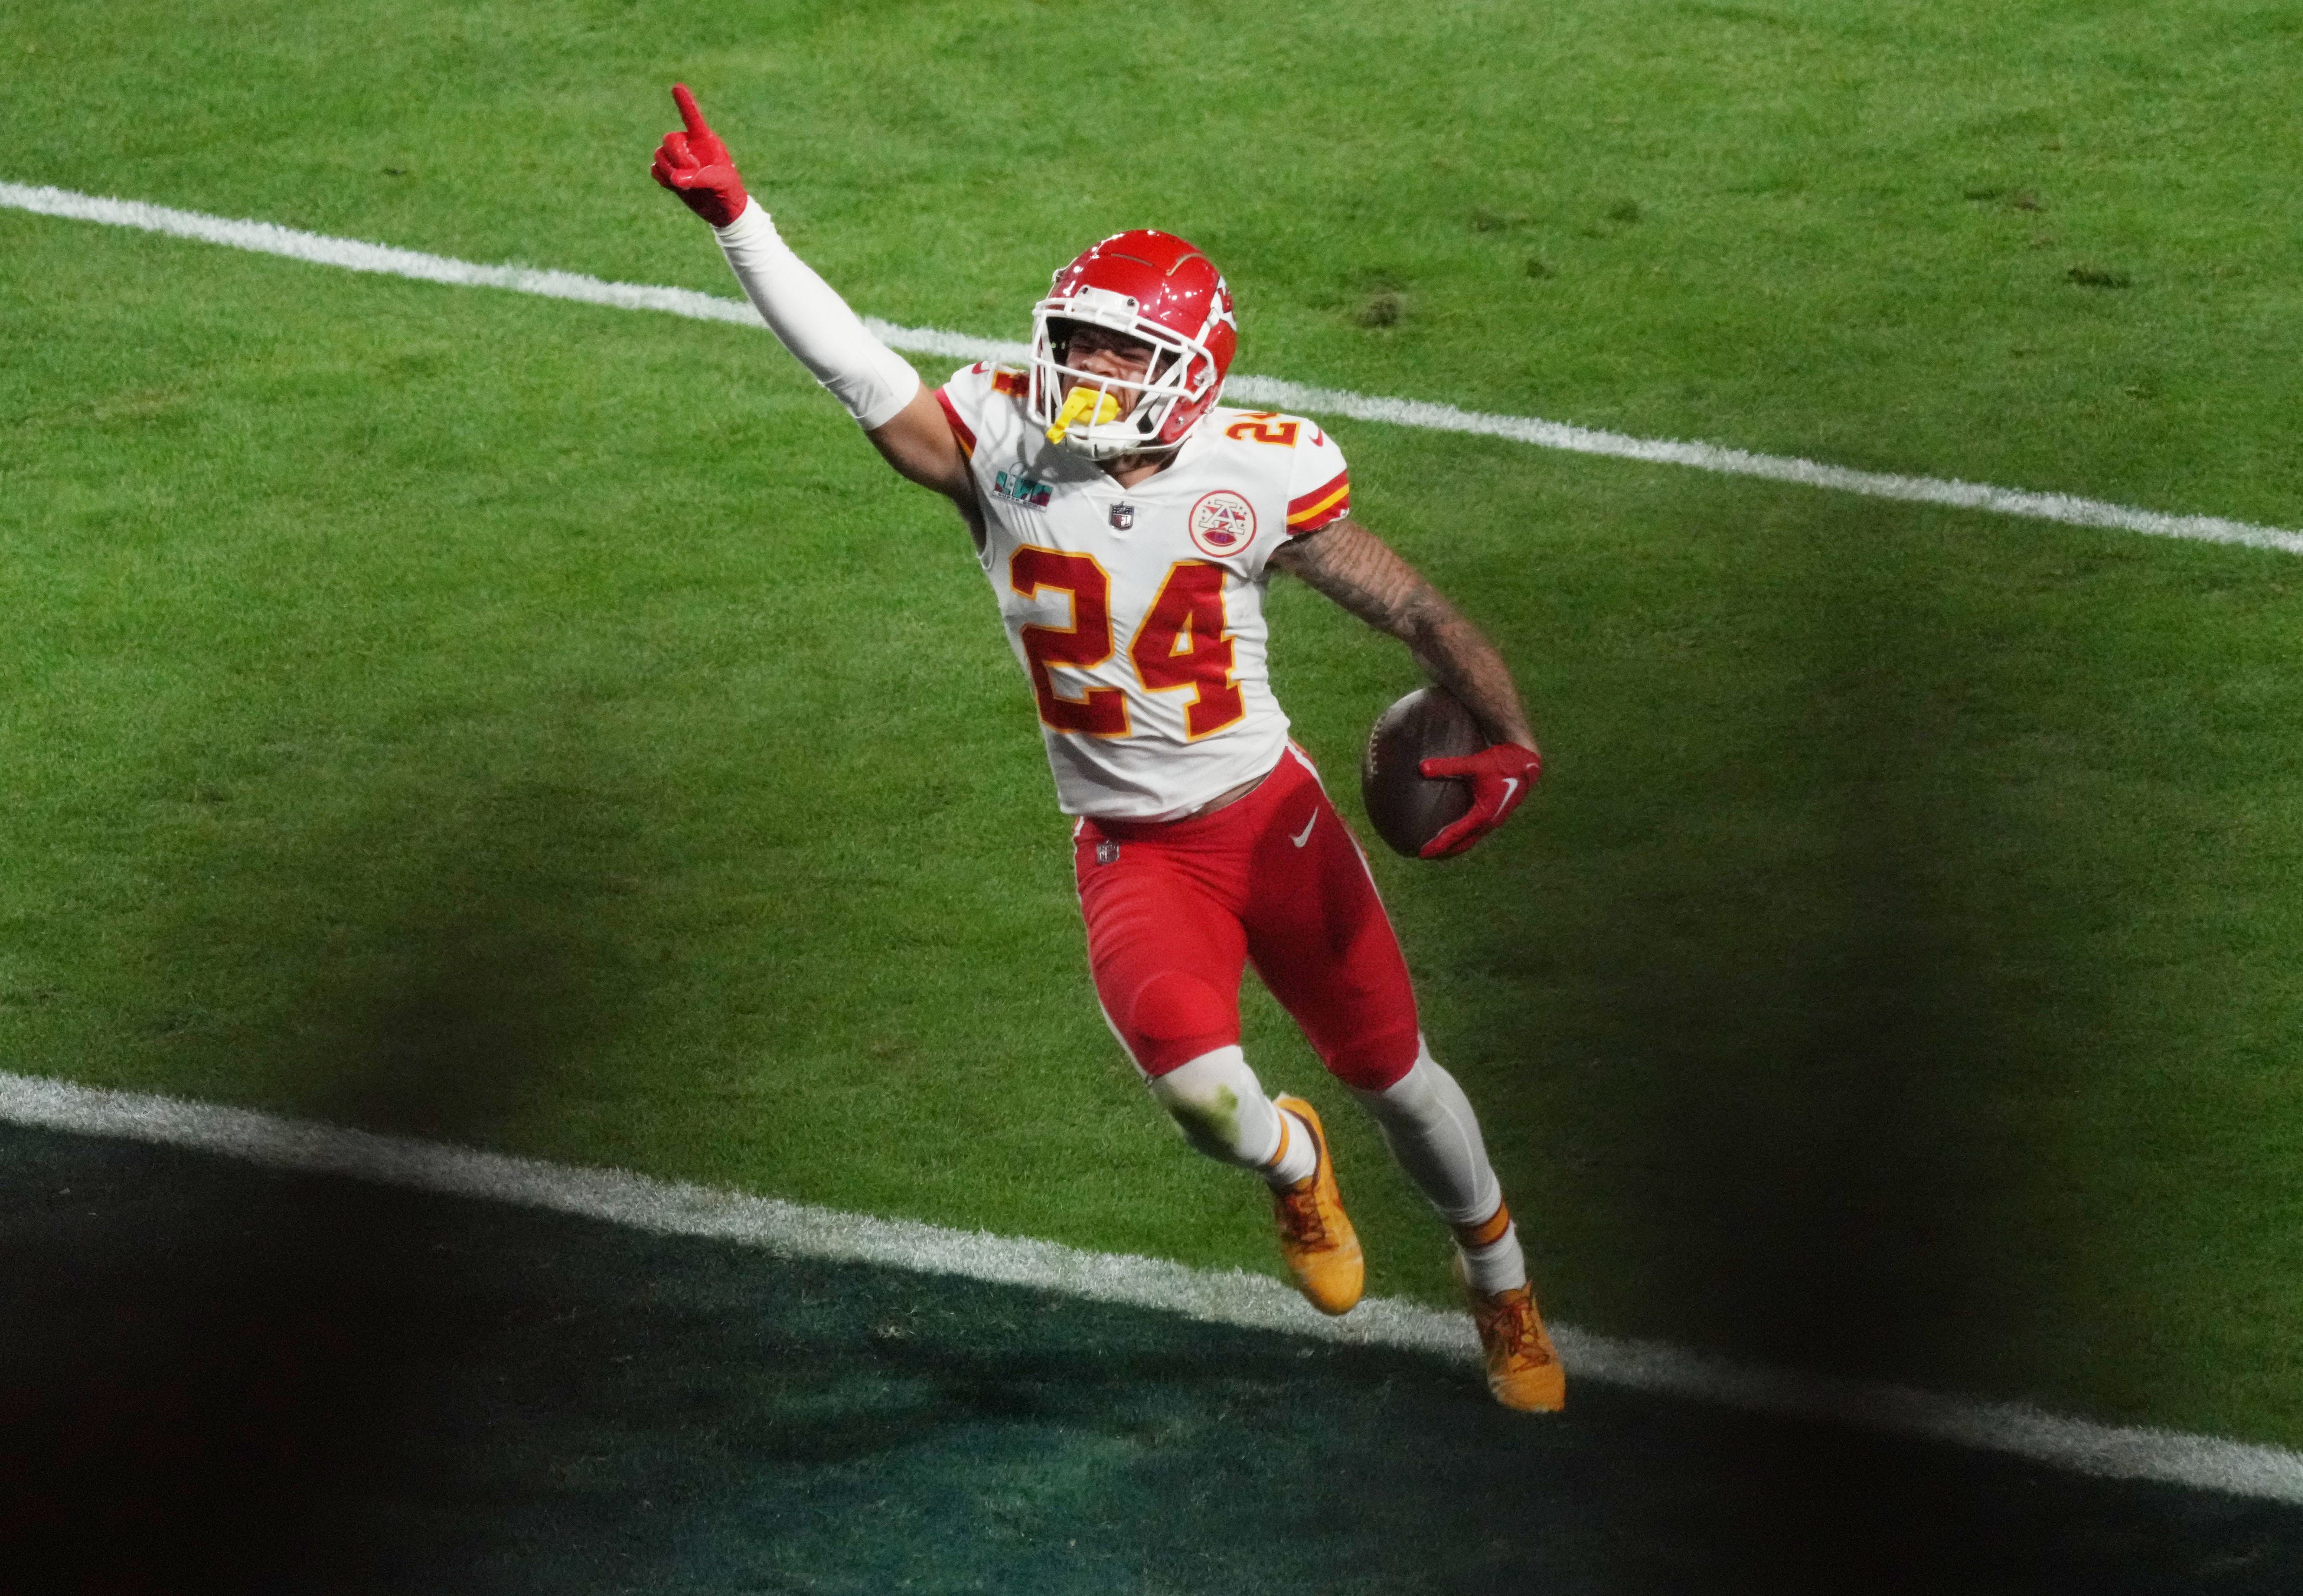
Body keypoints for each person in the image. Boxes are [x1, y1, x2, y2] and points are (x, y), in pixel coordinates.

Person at [651, 85, 1562, 1411]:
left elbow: (1415, 608)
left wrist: (1511, 728)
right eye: (1075, 342)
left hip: (1269, 818)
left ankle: (1501, 1281)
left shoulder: (1256, 475)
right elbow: (857, 369)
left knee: (1397, 1075)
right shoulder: (999, 447)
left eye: (1117, 355)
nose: (1082, 371)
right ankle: (1293, 1167)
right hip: (1134, 847)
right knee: (1203, 1099)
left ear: (1189, 370)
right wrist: (739, 220)